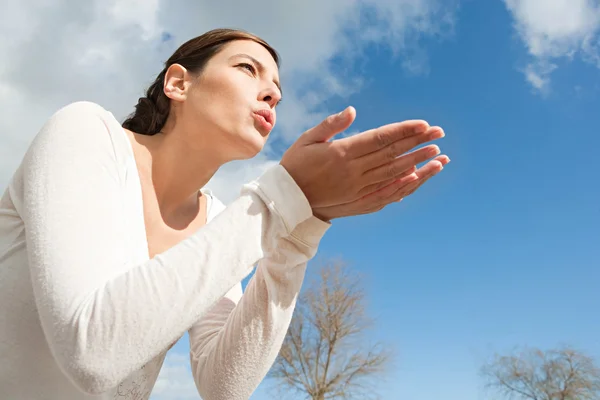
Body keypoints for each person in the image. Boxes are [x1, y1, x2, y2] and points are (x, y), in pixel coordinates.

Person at [0, 28, 449, 400]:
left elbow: (223, 386)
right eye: (247, 68)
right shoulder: (85, 132)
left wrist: (298, 233)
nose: (272, 92)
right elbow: (91, 353)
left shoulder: (217, 219)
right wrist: (281, 200)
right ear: (178, 83)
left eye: (277, 89)